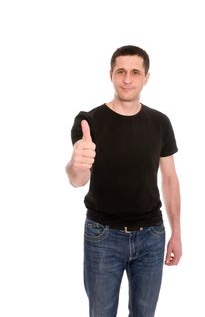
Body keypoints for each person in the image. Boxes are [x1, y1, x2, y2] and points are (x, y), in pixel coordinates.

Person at [66, 45, 182, 317]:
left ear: (146, 77)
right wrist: (76, 163)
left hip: (152, 236)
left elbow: (170, 179)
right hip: (102, 236)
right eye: (121, 71)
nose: (127, 79)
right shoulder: (89, 121)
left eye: (134, 72)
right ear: (111, 75)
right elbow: (77, 179)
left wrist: (176, 231)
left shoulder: (160, 122)